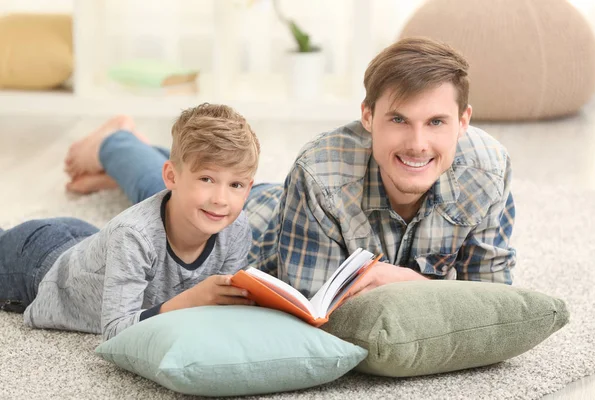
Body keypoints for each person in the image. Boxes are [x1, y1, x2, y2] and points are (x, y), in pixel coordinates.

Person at [63, 37, 516, 301]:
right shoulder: (320, 172)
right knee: (170, 191)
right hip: (257, 221)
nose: (418, 144)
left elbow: (497, 298)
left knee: (194, 171)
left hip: (296, 202)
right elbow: (318, 307)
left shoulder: (488, 171)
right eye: (398, 119)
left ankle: (130, 149)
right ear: (367, 117)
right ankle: (115, 141)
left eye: (436, 122)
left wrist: (407, 280)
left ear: (464, 122)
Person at [0, 103, 260, 341]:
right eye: (206, 179)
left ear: (248, 189)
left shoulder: (235, 229)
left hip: (92, 247)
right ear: (171, 176)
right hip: (37, 264)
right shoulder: (134, 235)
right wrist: (192, 299)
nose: (220, 199)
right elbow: (115, 331)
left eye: (235, 185)